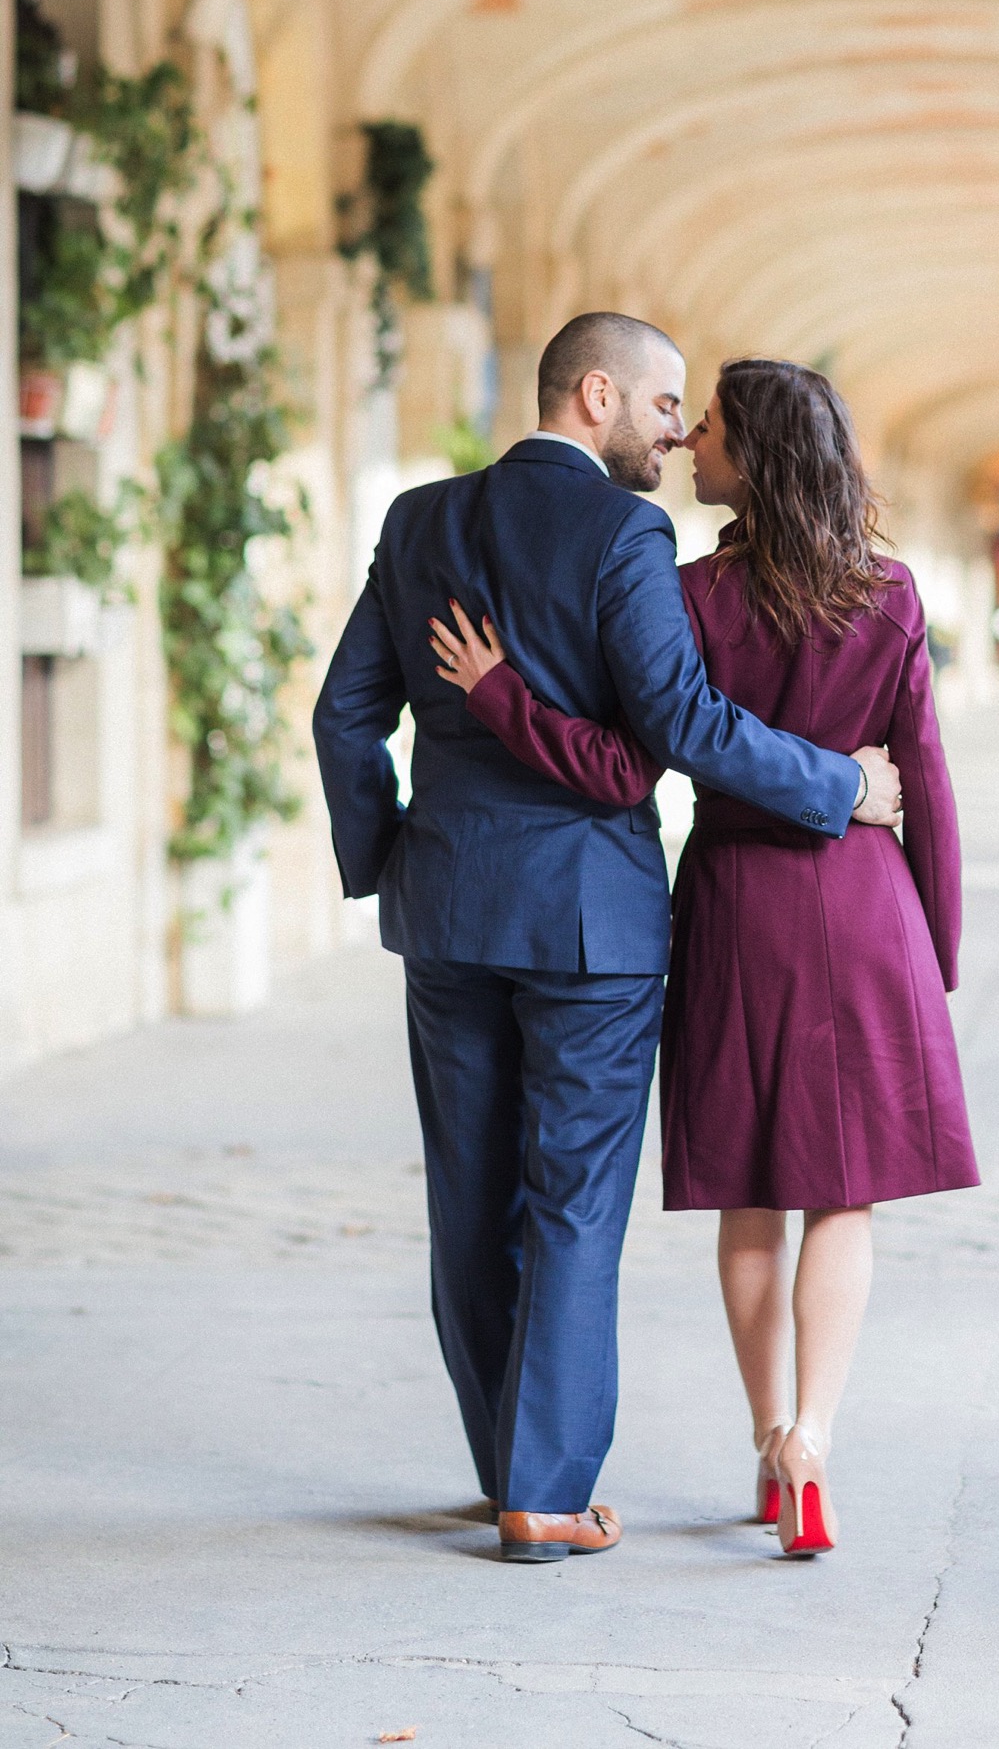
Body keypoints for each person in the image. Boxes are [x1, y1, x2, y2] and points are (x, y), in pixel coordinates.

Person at [312, 315, 901, 1564]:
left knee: (469, 1201)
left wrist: (388, 858)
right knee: (572, 1204)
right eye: (664, 404)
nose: (679, 431)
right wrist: (838, 789)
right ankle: (545, 1489)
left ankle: (504, 1472)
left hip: (449, 914)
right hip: (591, 927)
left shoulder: (421, 521)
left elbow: (343, 717)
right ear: (596, 396)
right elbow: (679, 718)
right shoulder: (628, 532)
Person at [428, 357, 979, 1558]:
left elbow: (635, 755)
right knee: (846, 1192)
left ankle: (765, 1427)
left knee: (750, 1188)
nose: (689, 446)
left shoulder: (687, 596)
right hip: (866, 901)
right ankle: (814, 1443)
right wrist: (935, 943)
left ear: (758, 459)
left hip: (737, 900)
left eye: (712, 428)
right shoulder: (888, 594)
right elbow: (921, 776)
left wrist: (504, 696)